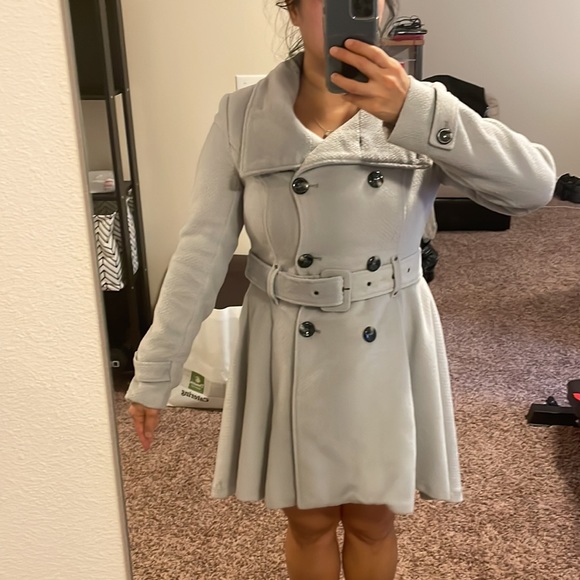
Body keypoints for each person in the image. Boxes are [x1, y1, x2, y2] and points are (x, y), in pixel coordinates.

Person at [125, 1, 556, 578]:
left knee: (373, 519)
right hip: (286, 334)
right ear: (292, 8)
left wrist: (415, 109)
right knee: (307, 520)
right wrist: (156, 369)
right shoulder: (244, 115)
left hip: (385, 330)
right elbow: (202, 248)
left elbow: (533, 188)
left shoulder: (421, 105)